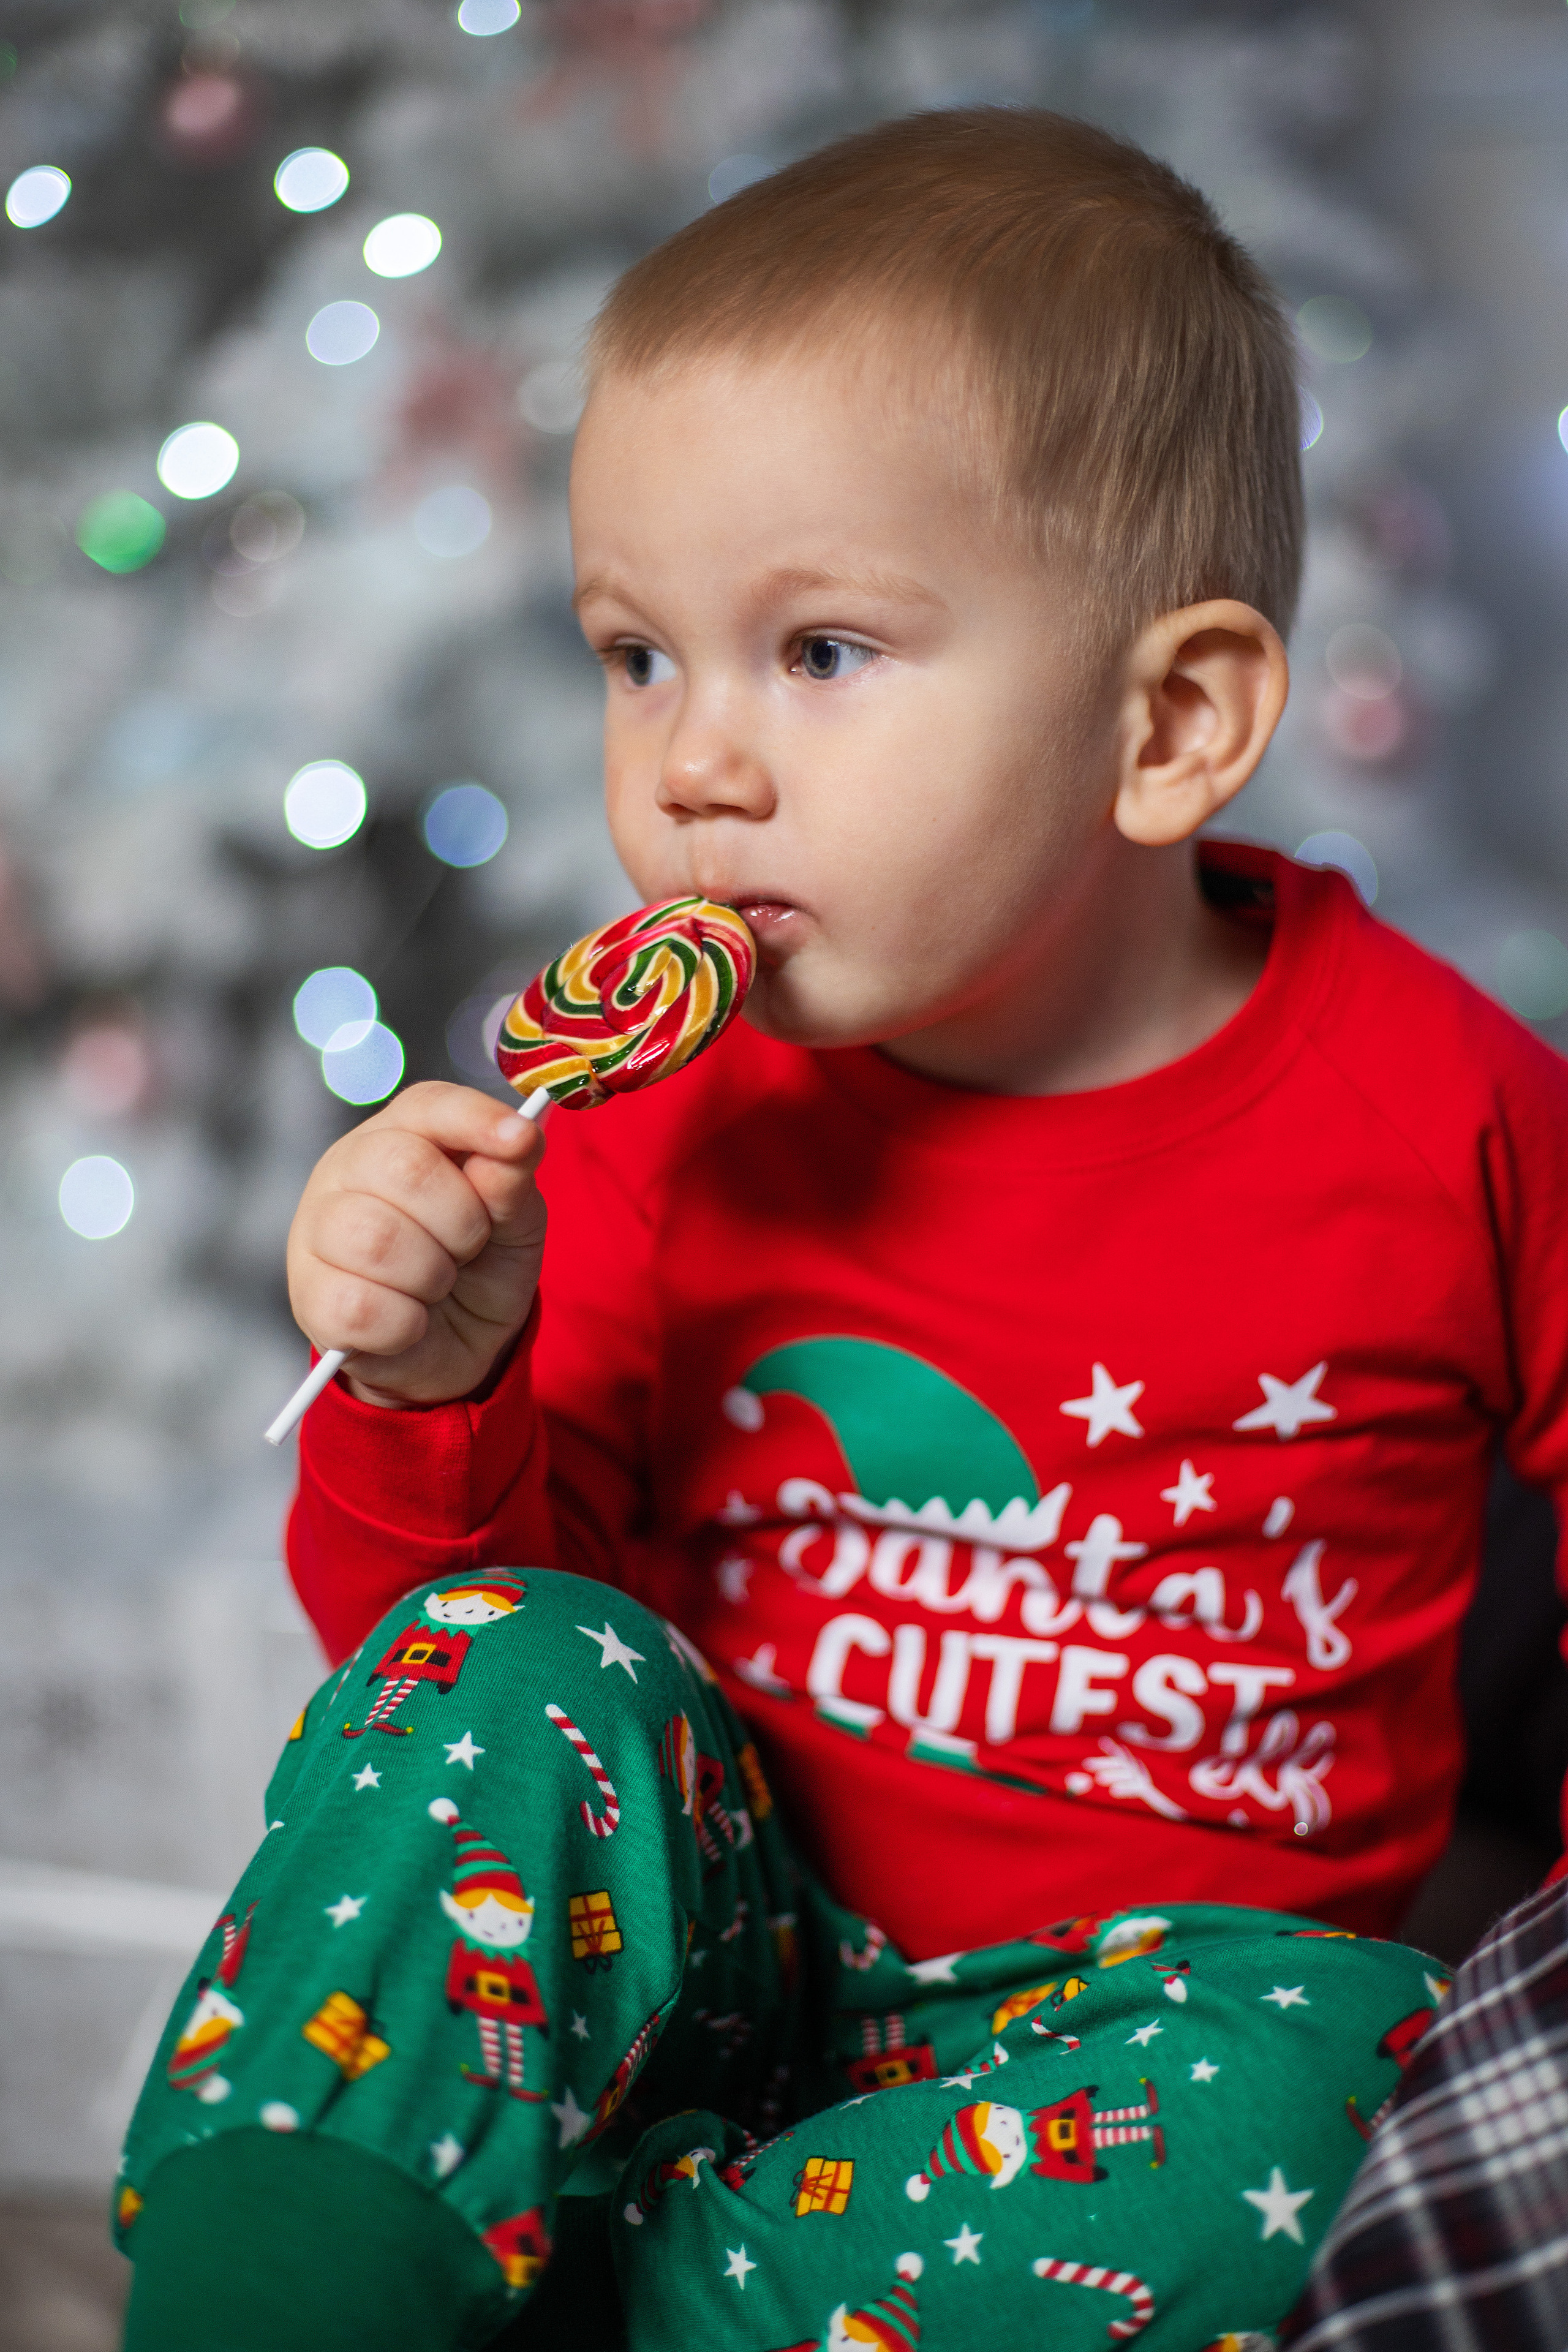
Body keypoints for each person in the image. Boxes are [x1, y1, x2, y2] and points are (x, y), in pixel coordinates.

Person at [115, 108, 1568, 2352]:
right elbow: (452, 1677)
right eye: (634, 656)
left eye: (818, 652)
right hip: (702, 1947)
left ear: (1168, 722)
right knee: (503, 1657)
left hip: (1145, 2045)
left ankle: (628, 2304)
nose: (691, 761)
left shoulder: (1447, 1111)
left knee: (1352, 2056)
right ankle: (292, 2289)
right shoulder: (646, 1101)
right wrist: (432, 1387)